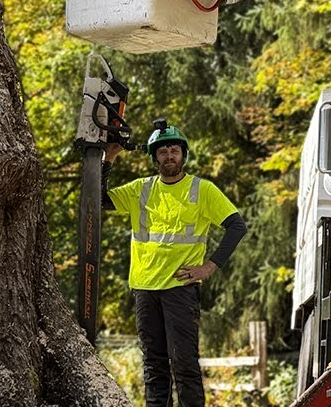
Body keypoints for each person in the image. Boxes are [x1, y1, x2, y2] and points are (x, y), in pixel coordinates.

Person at [102, 120, 248, 407]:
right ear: (154, 157)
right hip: (144, 288)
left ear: (183, 155)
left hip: (180, 289)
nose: (169, 156)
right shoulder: (141, 189)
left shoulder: (202, 190)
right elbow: (99, 199)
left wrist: (209, 267)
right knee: (153, 365)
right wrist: (109, 158)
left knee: (184, 364)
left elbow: (237, 226)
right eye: (163, 151)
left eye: (174, 151)